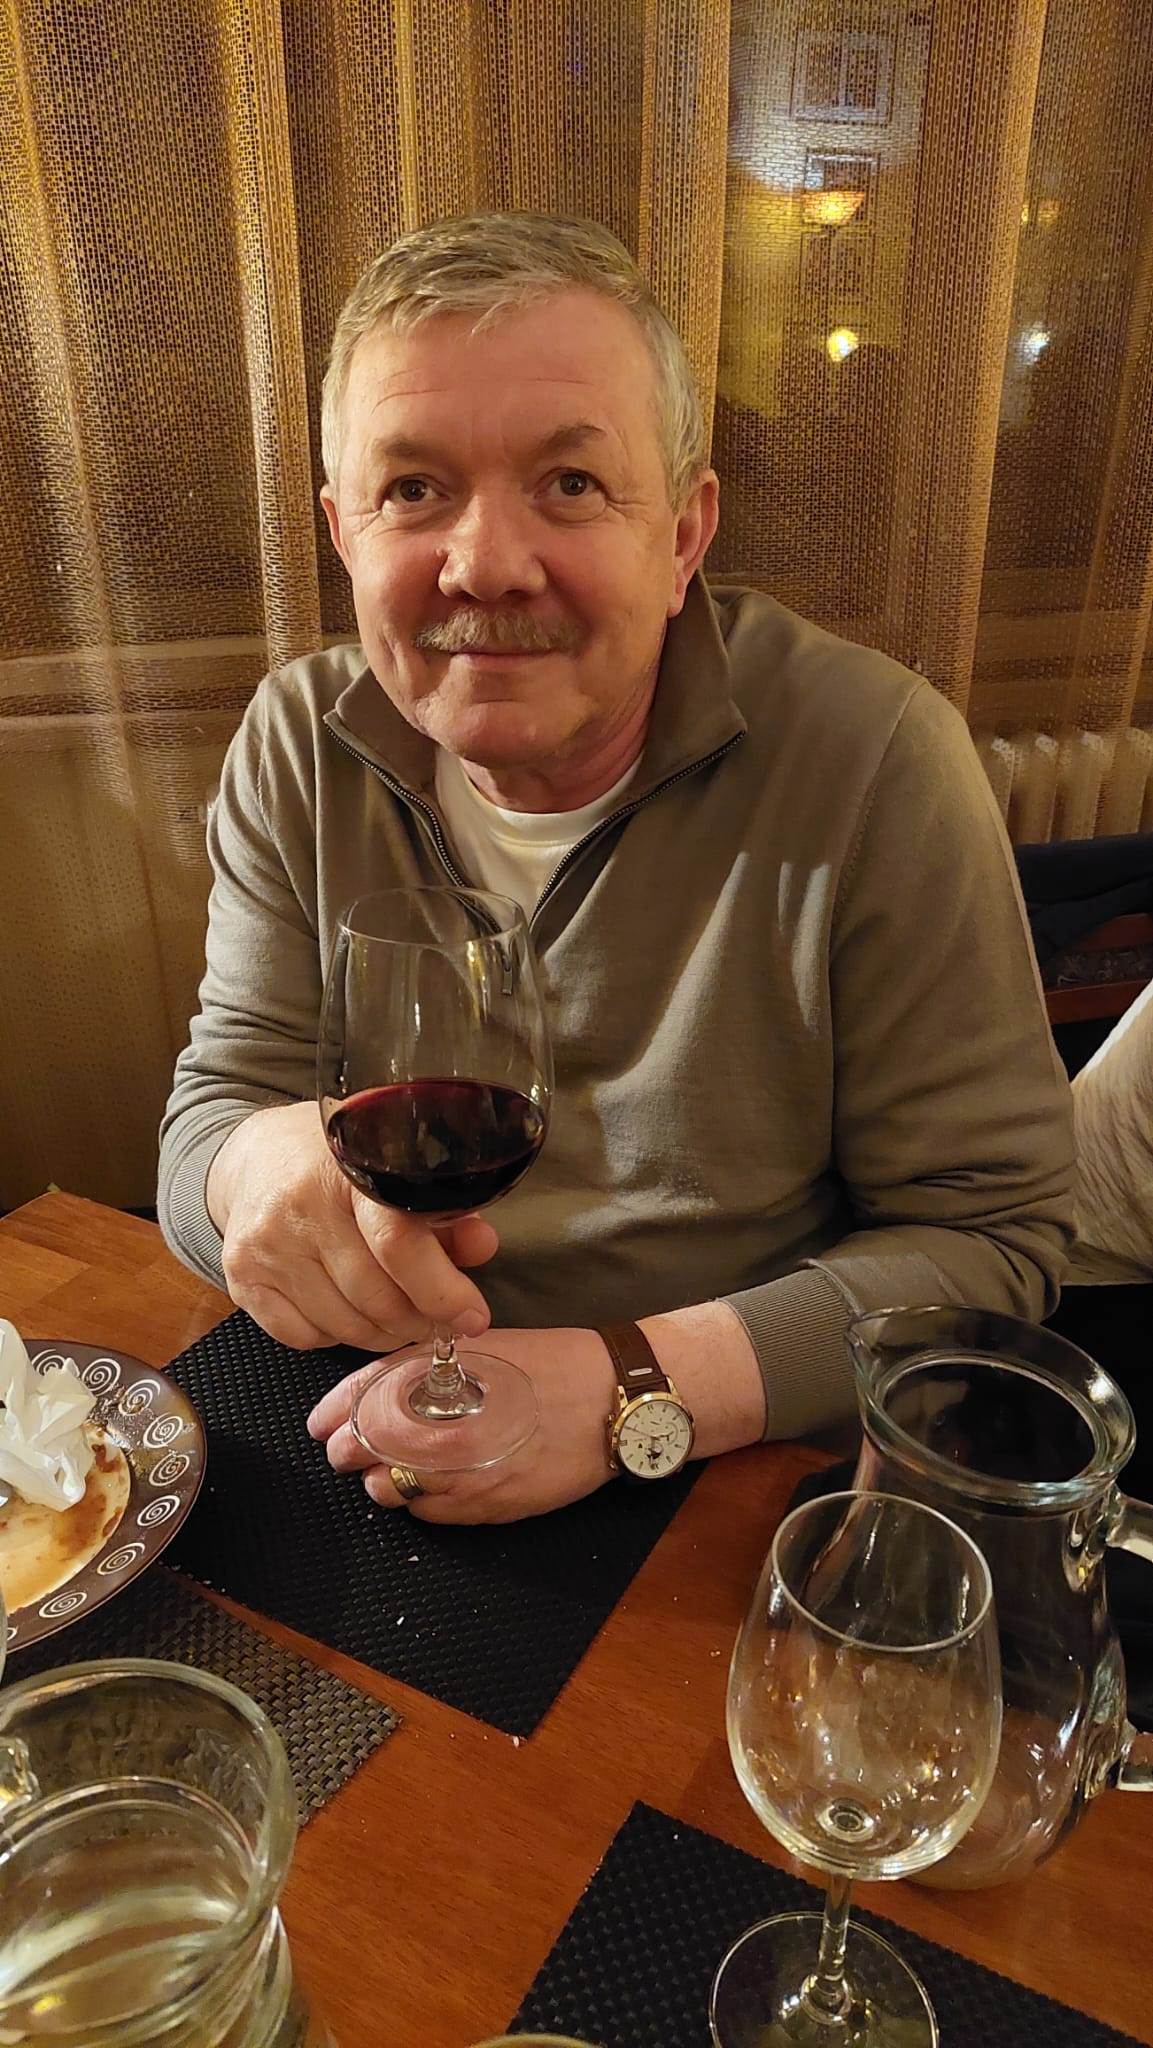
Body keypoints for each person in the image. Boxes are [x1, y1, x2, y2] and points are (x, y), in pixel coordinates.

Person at [159, 210, 1075, 1524]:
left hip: (725, 1459)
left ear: (685, 535)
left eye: (572, 484)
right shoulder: (296, 743)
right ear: (343, 533)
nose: (485, 564)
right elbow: (212, 1116)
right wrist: (247, 1171)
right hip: (368, 1417)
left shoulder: (874, 759)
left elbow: (995, 1242)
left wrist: (634, 1388)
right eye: (412, 490)